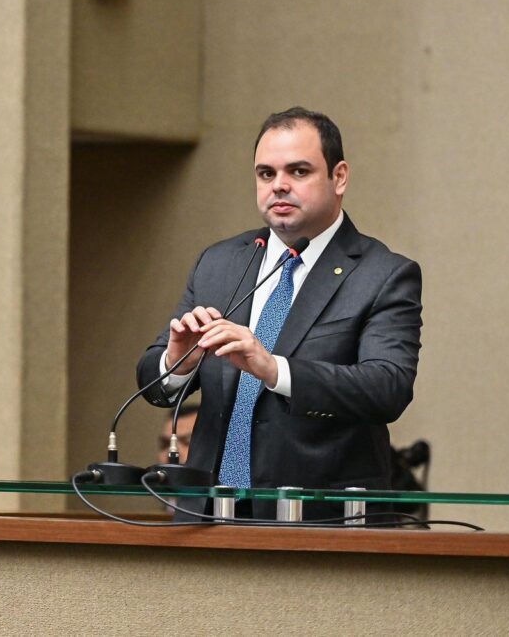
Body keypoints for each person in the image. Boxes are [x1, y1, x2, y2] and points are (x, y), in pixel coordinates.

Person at [136, 107, 422, 521]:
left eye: (299, 171)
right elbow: (152, 381)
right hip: (209, 516)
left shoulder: (382, 274)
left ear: (339, 177)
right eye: (266, 174)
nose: (279, 186)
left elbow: (387, 387)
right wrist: (178, 362)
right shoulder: (219, 263)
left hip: (320, 520)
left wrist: (274, 370)